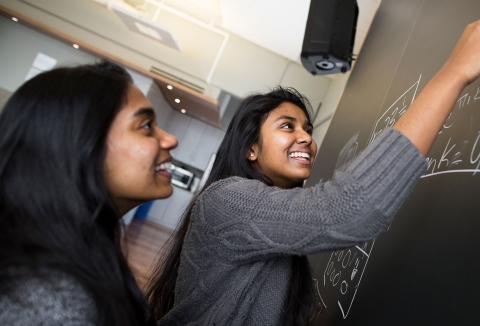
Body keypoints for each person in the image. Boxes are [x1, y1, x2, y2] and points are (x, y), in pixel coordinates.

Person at [146, 21, 480, 326]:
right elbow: (349, 210)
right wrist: (453, 74)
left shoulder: (272, 220)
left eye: (308, 128)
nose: (306, 137)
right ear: (251, 149)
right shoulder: (226, 199)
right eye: (287, 126)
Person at [0, 61, 178, 325]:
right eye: (145, 126)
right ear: (83, 144)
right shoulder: (51, 301)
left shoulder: (82, 250)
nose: (170, 139)